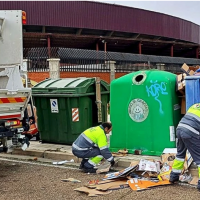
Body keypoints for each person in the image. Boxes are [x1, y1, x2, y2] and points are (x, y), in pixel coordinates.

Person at [169, 103, 200, 190]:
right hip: (191, 131)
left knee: (180, 155)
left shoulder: (195, 106)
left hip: (180, 129)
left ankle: (173, 177)